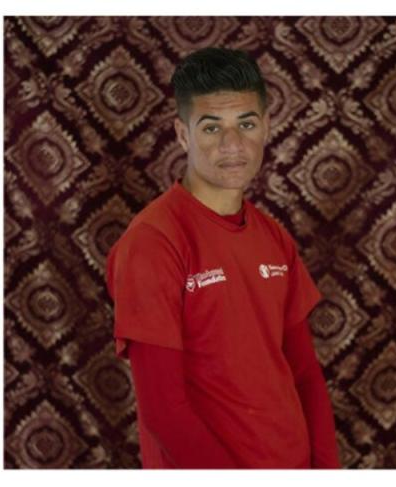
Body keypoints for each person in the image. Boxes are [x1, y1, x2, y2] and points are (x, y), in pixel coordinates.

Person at [105, 48, 339, 468]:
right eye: (211, 128)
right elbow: (164, 410)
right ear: (182, 135)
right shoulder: (153, 241)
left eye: (246, 124)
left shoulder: (273, 237)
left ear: (266, 126)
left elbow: (304, 375)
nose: (233, 145)